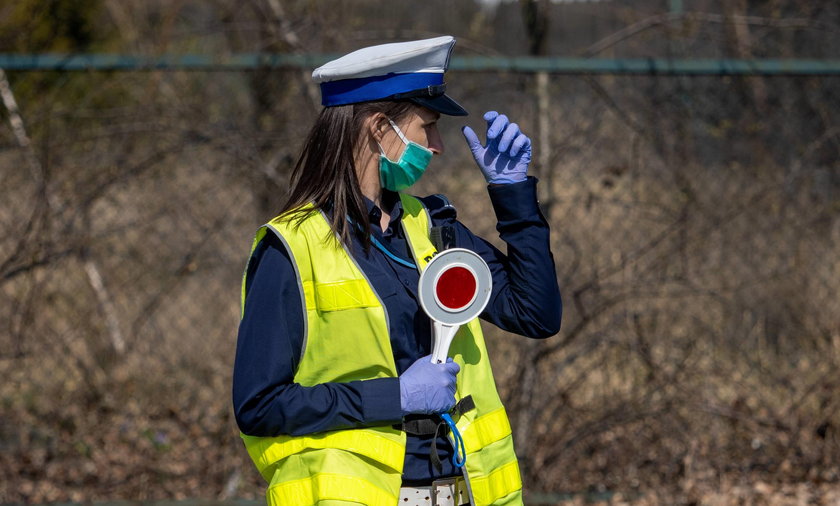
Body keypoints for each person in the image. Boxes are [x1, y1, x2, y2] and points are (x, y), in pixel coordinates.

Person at [232, 36, 561, 506]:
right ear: (379, 127)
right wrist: (394, 397)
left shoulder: (432, 228)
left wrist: (515, 200)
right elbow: (258, 406)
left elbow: (536, 314)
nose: (439, 146)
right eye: (428, 127)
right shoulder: (291, 247)